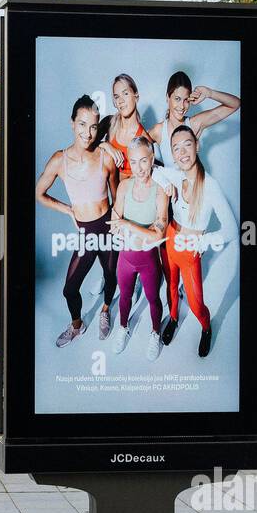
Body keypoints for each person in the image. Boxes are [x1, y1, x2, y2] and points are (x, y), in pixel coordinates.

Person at [35, 94, 121, 347]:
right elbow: (39, 193)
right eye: (82, 124)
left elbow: (118, 197)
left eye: (94, 126)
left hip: (107, 227)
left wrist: (119, 222)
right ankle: (77, 324)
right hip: (86, 232)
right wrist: (69, 210)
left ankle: (105, 309)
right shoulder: (59, 160)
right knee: (69, 289)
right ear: (72, 123)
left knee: (111, 275)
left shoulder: (106, 157)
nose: (88, 132)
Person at [152, 124, 238, 358]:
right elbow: (152, 169)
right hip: (170, 237)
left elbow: (231, 228)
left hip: (190, 249)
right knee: (169, 286)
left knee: (195, 302)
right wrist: (163, 180)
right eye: (175, 148)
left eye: (187, 145)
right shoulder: (175, 173)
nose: (182, 153)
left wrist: (202, 242)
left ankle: (206, 328)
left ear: (197, 146)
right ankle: (172, 318)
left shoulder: (210, 185)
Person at [109, 137, 169, 358]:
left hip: (148, 261)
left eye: (144, 161)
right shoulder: (124, 186)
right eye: (134, 162)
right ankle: (123, 327)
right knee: (124, 296)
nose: (139, 168)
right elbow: (115, 218)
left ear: (152, 159)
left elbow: (159, 234)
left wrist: (126, 225)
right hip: (125, 259)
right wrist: (123, 224)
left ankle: (155, 333)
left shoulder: (160, 190)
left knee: (153, 298)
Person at [146, 71, 241, 145]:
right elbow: (136, 152)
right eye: (177, 99)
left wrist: (209, 93)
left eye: (186, 100)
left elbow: (235, 104)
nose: (182, 106)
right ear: (167, 97)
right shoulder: (158, 131)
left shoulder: (195, 124)